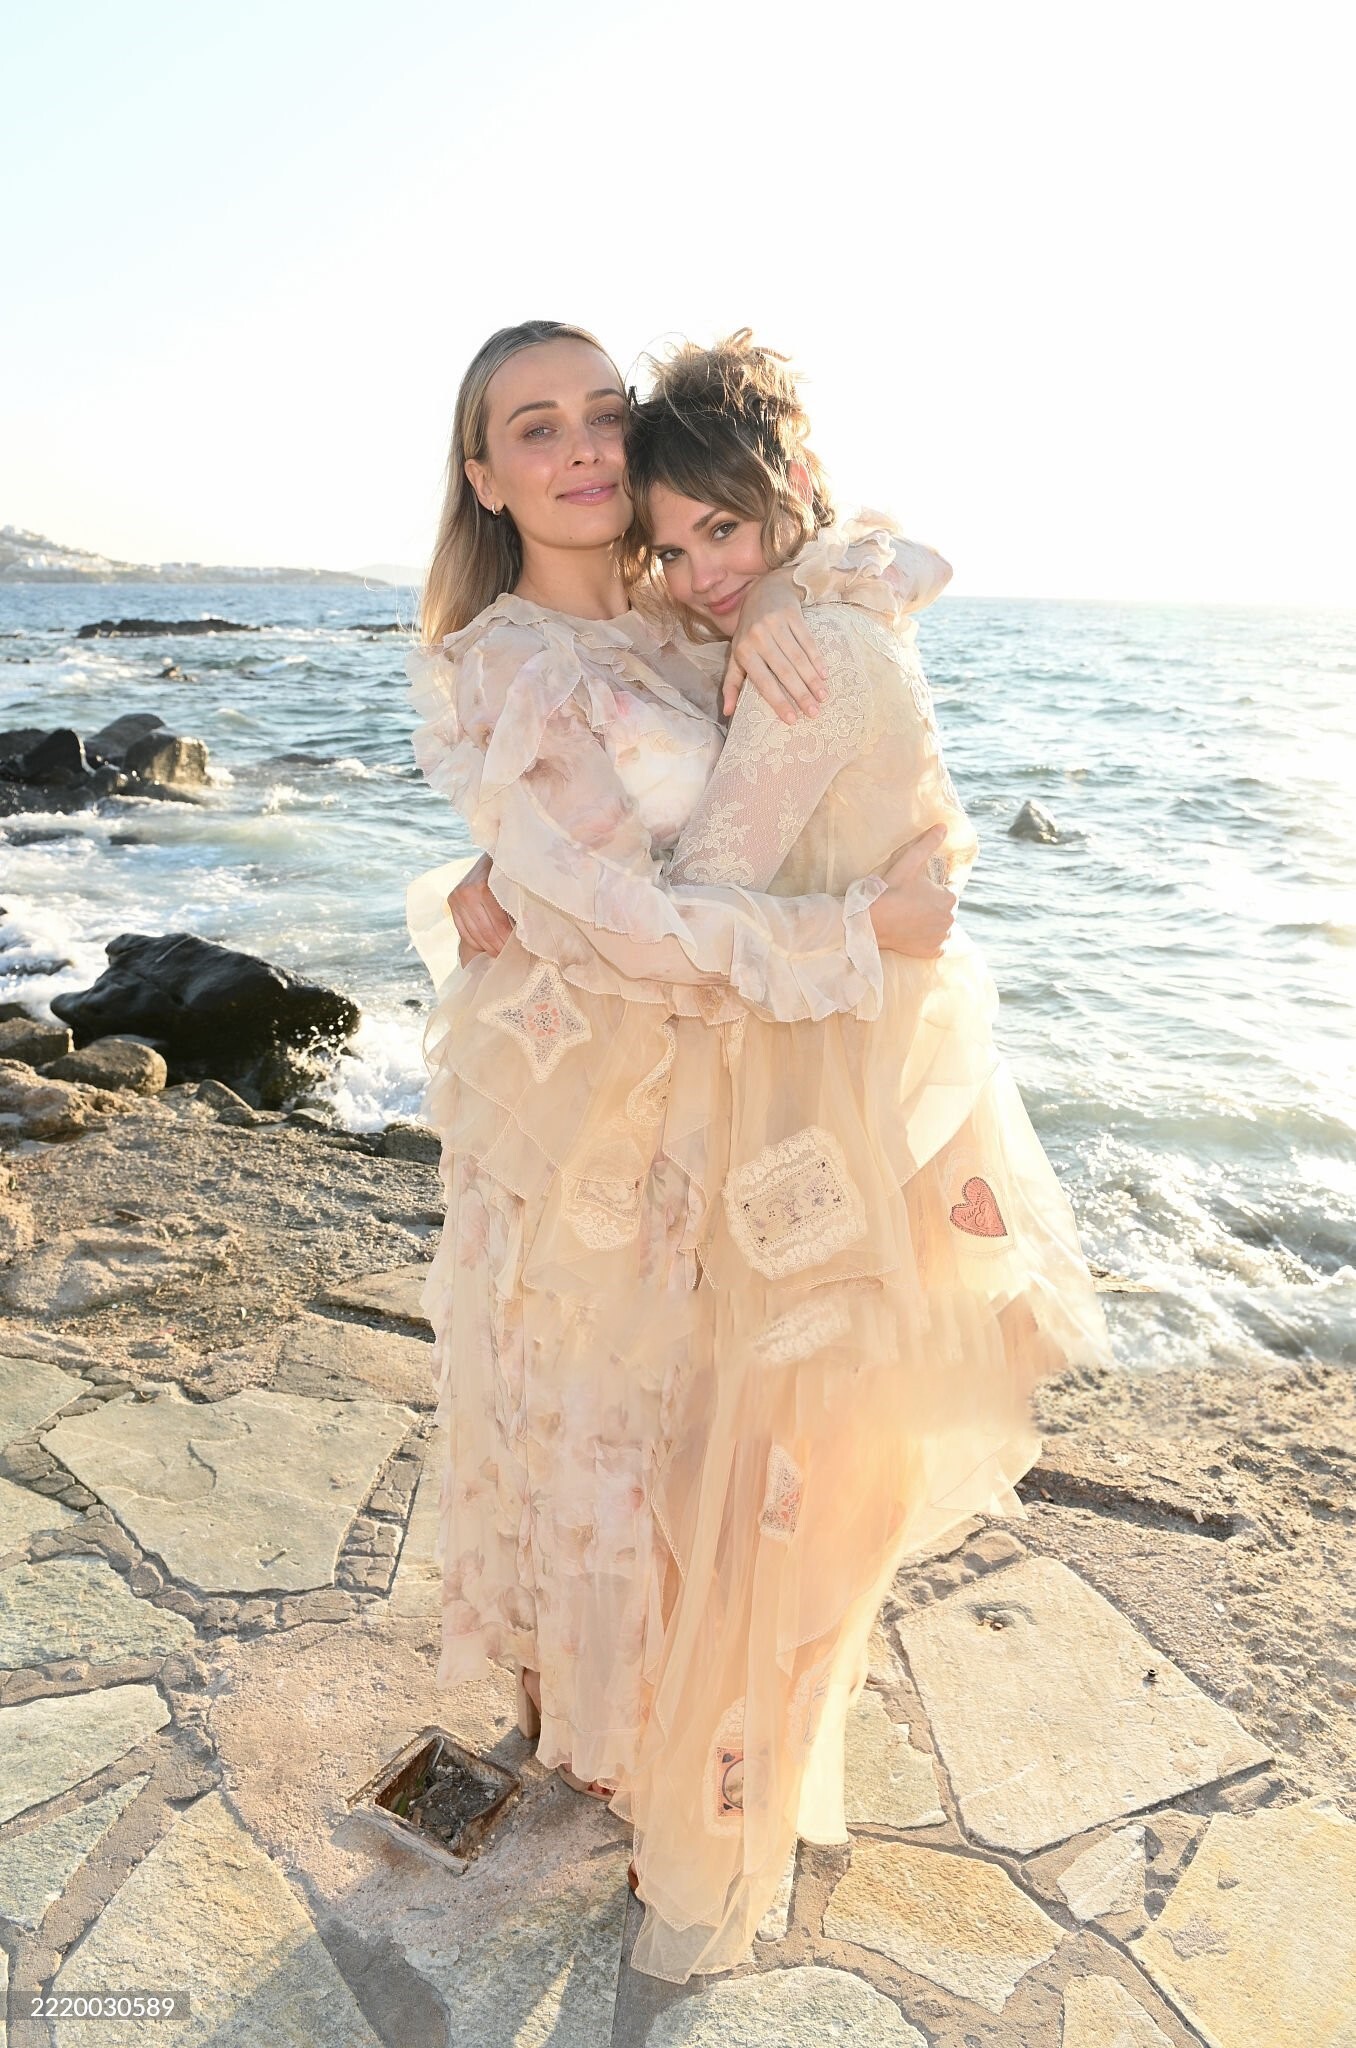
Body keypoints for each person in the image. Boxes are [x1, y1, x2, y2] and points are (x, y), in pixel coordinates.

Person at [523, 329, 1109, 1979]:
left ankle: (712, 1855)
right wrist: (780, 590)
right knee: (803, 1487)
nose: (704, 574)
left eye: (726, 530)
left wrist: (577, 867)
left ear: (787, 493)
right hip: (853, 1111)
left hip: (819, 1129)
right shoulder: (827, 613)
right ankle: (745, 1808)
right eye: (675, 548)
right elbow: (888, 559)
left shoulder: (819, 661)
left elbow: (703, 898)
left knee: (764, 1494)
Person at [404, 319, 962, 1817]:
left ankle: (668, 1731)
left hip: (715, 1099)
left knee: (692, 1433)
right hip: (586, 1108)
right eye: (536, 429)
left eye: (601, 414)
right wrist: (860, 933)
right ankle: (600, 1748)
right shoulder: (509, 666)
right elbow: (628, 920)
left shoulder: (681, 609)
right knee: (589, 1426)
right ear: (485, 477)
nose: (583, 447)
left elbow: (889, 563)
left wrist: (777, 587)